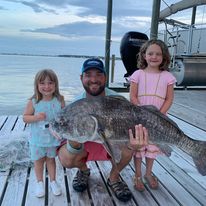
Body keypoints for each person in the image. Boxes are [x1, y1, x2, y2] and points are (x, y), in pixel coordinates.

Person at [57, 58, 149, 202]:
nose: (94, 79)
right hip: (86, 145)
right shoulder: (75, 105)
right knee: (66, 158)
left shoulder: (117, 99)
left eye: (99, 74)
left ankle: (114, 178)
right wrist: (74, 140)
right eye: (88, 75)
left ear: (105, 77)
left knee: (129, 148)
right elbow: (63, 141)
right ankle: (83, 170)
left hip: (111, 142)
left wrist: (133, 144)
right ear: (81, 78)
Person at [129, 39, 176, 191]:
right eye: (150, 53)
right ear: (144, 55)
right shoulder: (138, 74)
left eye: (158, 54)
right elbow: (133, 96)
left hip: (159, 119)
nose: (154, 57)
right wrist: (142, 112)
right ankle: (137, 174)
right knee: (139, 147)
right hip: (140, 118)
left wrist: (159, 115)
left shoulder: (168, 76)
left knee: (152, 147)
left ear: (164, 57)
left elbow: (169, 99)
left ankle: (148, 173)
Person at [23, 69, 65, 197]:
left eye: (50, 83)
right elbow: (25, 117)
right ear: (37, 85)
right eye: (42, 83)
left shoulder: (59, 100)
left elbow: (64, 118)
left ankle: (53, 181)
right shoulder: (34, 101)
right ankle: (39, 182)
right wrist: (35, 117)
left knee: (51, 160)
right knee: (38, 161)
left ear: (55, 85)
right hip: (37, 139)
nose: (46, 86)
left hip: (52, 139)